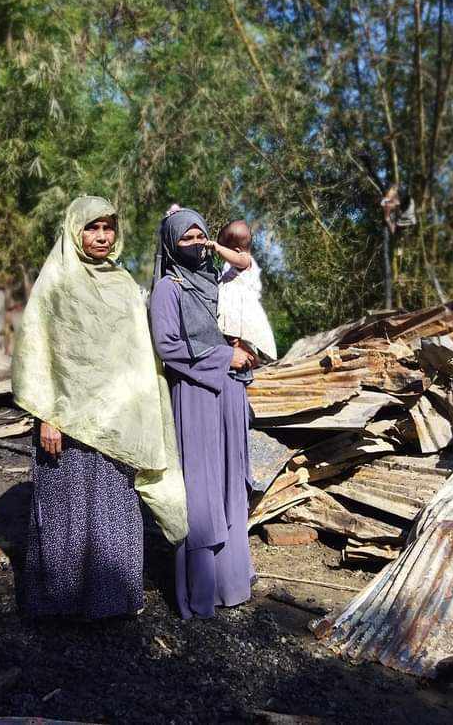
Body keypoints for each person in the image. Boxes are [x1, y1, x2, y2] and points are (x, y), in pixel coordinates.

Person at [11, 195, 187, 620]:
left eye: (108, 227)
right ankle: (60, 603)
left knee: (113, 509)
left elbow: (138, 354)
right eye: (93, 227)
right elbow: (38, 352)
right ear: (75, 231)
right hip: (67, 423)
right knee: (65, 512)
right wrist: (46, 416)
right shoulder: (56, 282)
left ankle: (113, 601)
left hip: (118, 422)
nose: (102, 236)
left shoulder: (124, 284)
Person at [149, 207, 257, 620]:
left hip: (229, 393)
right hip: (195, 392)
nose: (195, 244)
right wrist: (224, 357)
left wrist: (243, 353)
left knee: (231, 480)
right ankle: (201, 591)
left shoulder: (216, 280)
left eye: (200, 237)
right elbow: (168, 346)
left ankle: (234, 579)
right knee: (201, 487)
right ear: (171, 244)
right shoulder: (168, 288)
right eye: (185, 238)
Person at [204, 219, 278, 362]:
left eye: (226, 250)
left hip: (243, 314)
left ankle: (254, 361)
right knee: (233, 342)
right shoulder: (230, 268)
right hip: (233, 314)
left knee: (246, 343)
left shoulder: (245, 260)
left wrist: (218, 248)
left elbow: (239, 259)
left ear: (237, 251)